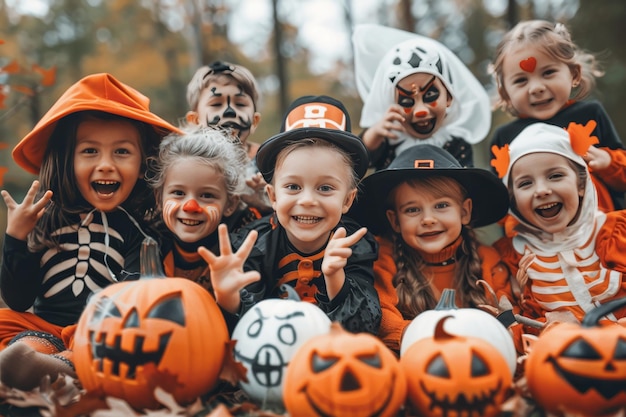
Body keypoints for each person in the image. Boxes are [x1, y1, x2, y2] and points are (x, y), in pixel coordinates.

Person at [0, 73, 179, 390]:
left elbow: (139, 298)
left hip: (103, 334)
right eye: (90, 151)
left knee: (123, 340)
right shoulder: (44, 220)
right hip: (45, 331)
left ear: (143, 163)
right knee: (20, 353)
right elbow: (17, 300)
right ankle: (47, 370)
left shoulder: (138, 229)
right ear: (66, 159)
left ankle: (70, 371)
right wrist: (16, 238)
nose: (106, 165)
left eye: (122, 152)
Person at [198, 95, 382, 335]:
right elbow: (244, 332)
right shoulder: (252, 244)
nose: (307, 200)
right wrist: (227, 297)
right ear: (273, 197)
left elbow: (365, 328)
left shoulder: (354, 245)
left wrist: (335, 278)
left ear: (347, 200)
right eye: (293, 187)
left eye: (325, 188)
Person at [348, 144, 514, 353]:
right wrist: (430, 339)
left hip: (480, 357)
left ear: (464, 211)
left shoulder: (487, 261)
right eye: (413, 209)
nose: (428, 219)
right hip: (412, 360)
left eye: (441, 205)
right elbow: (383, 316)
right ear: (395, 221)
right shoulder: (384, 259)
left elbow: (508, 320)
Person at [490, 122, 626, 325]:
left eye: (555, 176)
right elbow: (523, 324)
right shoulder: (512, 257)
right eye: (526, 183)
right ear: (514, 199)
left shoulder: (616, 231)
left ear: (581, 184)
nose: (542, 190)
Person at [489, 19, 626, 213]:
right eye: (521, 81)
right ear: (505, 94)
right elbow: (501, 203)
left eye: (548, 72)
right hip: (538, 240)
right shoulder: (504, 139)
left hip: (599, 232)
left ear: (574, 74)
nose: (536, 88)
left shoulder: (589, 115)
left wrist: (608, 162)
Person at [146, 125, 261, 331]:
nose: (191, 207)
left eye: (207, 195)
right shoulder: (145, 242)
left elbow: (249, 329)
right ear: (159, 198)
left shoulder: (241, 250)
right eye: (178, 193)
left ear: (230, 204)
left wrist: (228, 299)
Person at [352, 23, 491, 170]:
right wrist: (372, 137)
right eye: (406, 101)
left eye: (430, 95)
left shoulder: (455, 143)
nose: (420, 111)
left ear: (449, 97)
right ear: (392, 104)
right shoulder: (388, 142)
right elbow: (357, 163)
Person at [185, 61, 270, 215]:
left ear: (254, 121)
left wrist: (267, 197)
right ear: (195, 120)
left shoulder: (268, 162)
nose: (230, 111)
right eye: (216, 104)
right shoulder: (185, 162)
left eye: (240, 104)